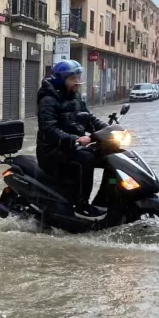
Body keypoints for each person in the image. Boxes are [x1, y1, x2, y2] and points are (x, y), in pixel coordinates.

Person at [36, 60, 108, 220]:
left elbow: (90, 119)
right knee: (86, 159)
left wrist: (108, 129)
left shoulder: (75, 97)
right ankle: (80, 206)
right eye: (72, 78)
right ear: (61, 79)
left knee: (107, 155)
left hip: (71, 147)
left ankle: (107, 200)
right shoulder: (48, 100)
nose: (77, 81)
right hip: (51, 151)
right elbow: (49, 130)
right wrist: (76, 139)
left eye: (78, 77)